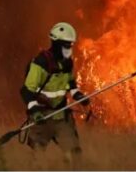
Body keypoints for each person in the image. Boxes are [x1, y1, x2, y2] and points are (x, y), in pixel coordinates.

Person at [20, 21, 90, 160]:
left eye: (71, 44)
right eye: (66, 45)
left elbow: (70, 83)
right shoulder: (41, 63)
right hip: (42, 117)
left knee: (74, 155)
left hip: (61, 117)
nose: (70, 48)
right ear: (56, 44)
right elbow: (26, 91)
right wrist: (34, 110)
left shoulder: (67, 63)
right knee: (36, 158)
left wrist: (78, 95)